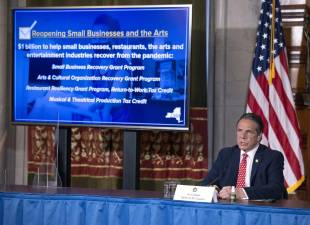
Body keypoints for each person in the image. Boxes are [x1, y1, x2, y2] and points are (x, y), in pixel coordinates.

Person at [202, 112, 287, 200]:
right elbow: (207, 183)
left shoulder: (272, 157)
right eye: (240, 130)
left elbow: (276, 190)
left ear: (259, 136)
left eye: (248, 132)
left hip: (256, 209)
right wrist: (214, 189)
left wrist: (241, 192)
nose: (242, 136)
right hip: (228, 208)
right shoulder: (226, 154)